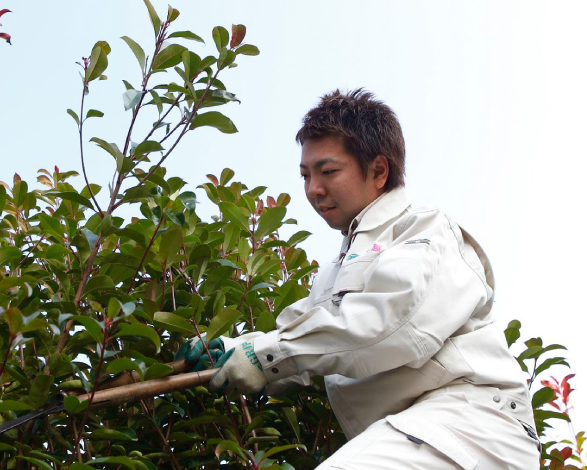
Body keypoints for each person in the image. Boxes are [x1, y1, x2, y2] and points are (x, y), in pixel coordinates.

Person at [180, 89, 541, 469]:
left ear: (379, 171)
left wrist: (268, 355)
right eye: (305, 175)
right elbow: (303, 340)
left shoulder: (423, 229)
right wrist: (230, 349)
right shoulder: (338, 271)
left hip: (473, 425)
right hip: (427, 432)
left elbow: (395, 324)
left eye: (328, 171)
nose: (313, 189)